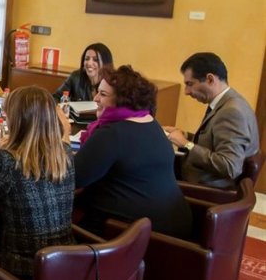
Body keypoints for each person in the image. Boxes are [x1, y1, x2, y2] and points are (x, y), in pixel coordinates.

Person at [0, 86, 75, 280]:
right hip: (67, 266)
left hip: (23, 272)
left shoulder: (6, 160)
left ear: (16, 120)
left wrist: (3, 150)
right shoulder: (65, 153)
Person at [75, 65, 191, 239]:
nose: (96, 98)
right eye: (97, 92)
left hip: (136, 237)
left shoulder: (112, 133)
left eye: (103, 95)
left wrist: (63, 138)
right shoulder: (151, 123)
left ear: (123, 100)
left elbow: (73, 178)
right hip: (175, 226)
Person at [164, 52, 259, 189]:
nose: (186, 91)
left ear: (210, 79)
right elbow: (215, 143)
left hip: (207, 189)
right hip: (202, 177)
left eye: (190, 84)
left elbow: (230, 166)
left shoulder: (231, 111)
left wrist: (186, 144)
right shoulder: (228, 102)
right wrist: (186, 137)